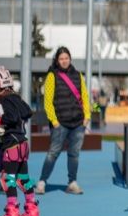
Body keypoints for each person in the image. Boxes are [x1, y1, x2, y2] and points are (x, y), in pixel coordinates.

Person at [0, 66, 39, 216]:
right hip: (23, 143)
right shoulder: (15, 97)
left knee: (7, 179)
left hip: (11, 145)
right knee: (24, 179)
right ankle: (32, 211)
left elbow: (12, 117)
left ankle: (12, 214)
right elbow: (27, 112)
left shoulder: (4, 101)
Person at [38, 47, 90, 195]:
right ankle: (42, 181)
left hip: (78, 123)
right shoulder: (52, 76)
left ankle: (72, 182)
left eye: (66, 58)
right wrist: (54, 121)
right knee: (53, 153)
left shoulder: (78, 75)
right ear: (57, 60)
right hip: (60, 123)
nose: (64, 61)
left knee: (74, 154)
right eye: (61, 58)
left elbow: (84, 97)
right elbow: (47, 101)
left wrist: (86, 117)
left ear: (70, 59)